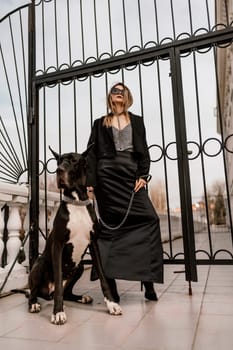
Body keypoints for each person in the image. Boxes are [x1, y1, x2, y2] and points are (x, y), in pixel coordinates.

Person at [86, 82, 163, 302]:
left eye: (122, 91)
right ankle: (110, 287)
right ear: (110, 97)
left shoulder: (137, 121)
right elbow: (91, 154)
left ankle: (148, 283)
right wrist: (91, 183)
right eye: (114, 91)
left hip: (131, 177)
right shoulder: (100, 123)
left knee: (149, 219)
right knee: (109, 231)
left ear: (127, 96)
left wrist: (143, 175)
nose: (118, 94)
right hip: (106, 179)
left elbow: (144, 152)